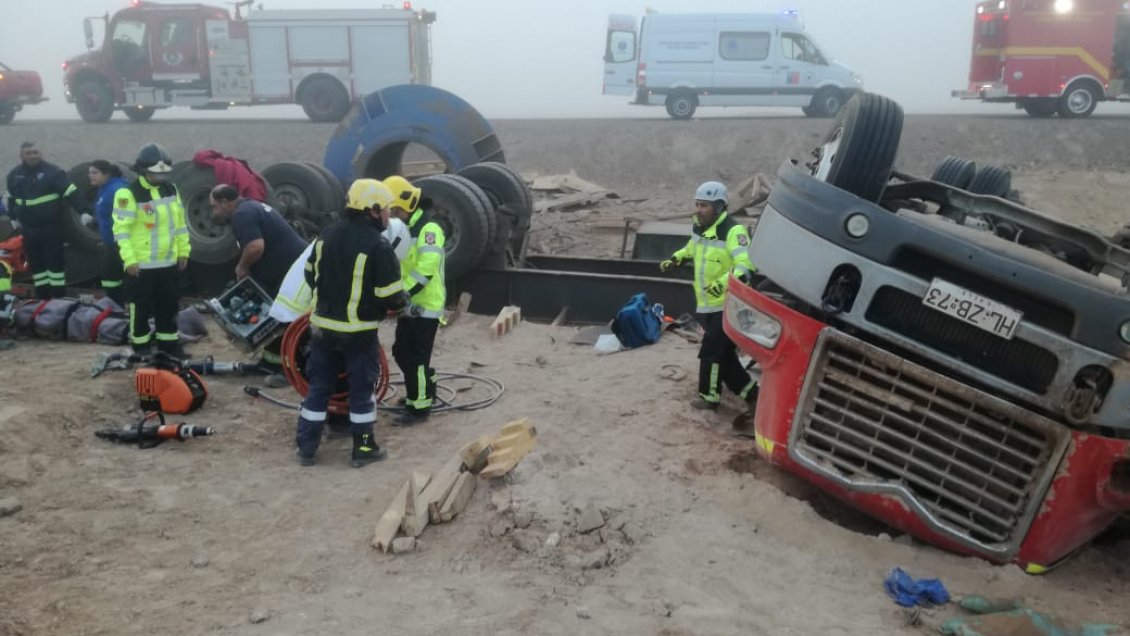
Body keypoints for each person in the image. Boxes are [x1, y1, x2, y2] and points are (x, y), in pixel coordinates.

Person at [295, 178, 406, 467]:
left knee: (319, 387)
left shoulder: (326, 235)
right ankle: (364, 449)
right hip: (358, 333)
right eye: (385, 210)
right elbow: (390, 295)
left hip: (322, 329)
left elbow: (310, 275)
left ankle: (306, 447)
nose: (388, 216)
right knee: (361, 392)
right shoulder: (378, 246)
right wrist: (403, 304)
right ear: (372, 210)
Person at [660, 181, 759, 411]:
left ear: (718, 206)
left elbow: (747, 264)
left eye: (703, 205)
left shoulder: (734, 232)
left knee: (710, 353)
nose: (698, 209)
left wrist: (724, 285)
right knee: (724, 356)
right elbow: (691, 249)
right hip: (706, 305)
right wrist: (675, 258)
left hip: (728, 305)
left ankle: (709, 397)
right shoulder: (700, 228)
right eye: (697, 204)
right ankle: (752, 394)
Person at [209, 183, 307, 380]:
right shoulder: (251, 207)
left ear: (225, 202)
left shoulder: (242, 215)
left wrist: (242, 267)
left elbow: (255, 247)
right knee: (272, 316)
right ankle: (272, 361)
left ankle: (288, 369)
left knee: (283, 318)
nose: (213, 211)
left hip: (289, 272)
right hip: (288, 269)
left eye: (214, 206)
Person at [112, 143, 190, 357]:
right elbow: (121, 230)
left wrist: (184, 251)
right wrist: (129, 260)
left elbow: (180, 224)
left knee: (169, 305)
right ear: (143, 171)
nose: (160, 177)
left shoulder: (170, 189)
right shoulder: (127, 194)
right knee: (141, 307)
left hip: (168, 262)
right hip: (141, 264)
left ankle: (169, 346)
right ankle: (141, 347)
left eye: (163, 173)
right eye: (156, 173)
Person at [383, 175, 446, 427]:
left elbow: (425, 269)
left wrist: (402, 295)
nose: (392, 215)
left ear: (406, 206)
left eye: (394, 209)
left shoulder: (429, 231)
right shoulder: (406, 229)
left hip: (425, 306)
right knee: (402, 351)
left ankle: (418, 408)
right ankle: (423, 392)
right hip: (410, 305)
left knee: (415, 357)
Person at [5, 142, 90, 299]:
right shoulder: (14, 175)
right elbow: (11, 197)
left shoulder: (52, 172)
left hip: (50, 228)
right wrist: (12, 217)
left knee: (54, 266)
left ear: (40, 153)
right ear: (21, 156)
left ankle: (57, 299)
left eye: (35, 152)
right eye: (29, 153)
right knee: (37, 267)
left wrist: (83, 211)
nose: (33, 155)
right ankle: (41, 298)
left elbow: (70, 191)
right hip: (28, 229)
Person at [89, 160, 129, 307]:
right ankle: (116, 305)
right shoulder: (104, 188)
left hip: (120, 241)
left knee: (110, 275)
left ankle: (117, 305)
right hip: (111, 242)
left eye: (95, 173)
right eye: (90, 173)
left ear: (106, 174)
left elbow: (124, 213)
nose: (90, 176)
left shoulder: (119, 189)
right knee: (110, 276)